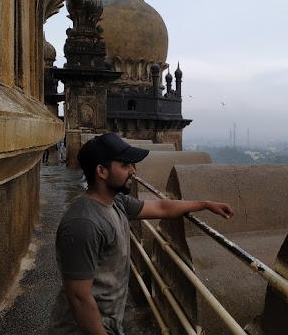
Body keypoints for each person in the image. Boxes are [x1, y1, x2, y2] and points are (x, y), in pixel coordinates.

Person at [48, 132, 233, 335]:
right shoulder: (83, 224)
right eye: (125, 165)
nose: (133, 171)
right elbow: (79, 298)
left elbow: (161, 208)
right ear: (101, 171)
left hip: (107, 324)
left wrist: (204, 204)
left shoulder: (115, 201)